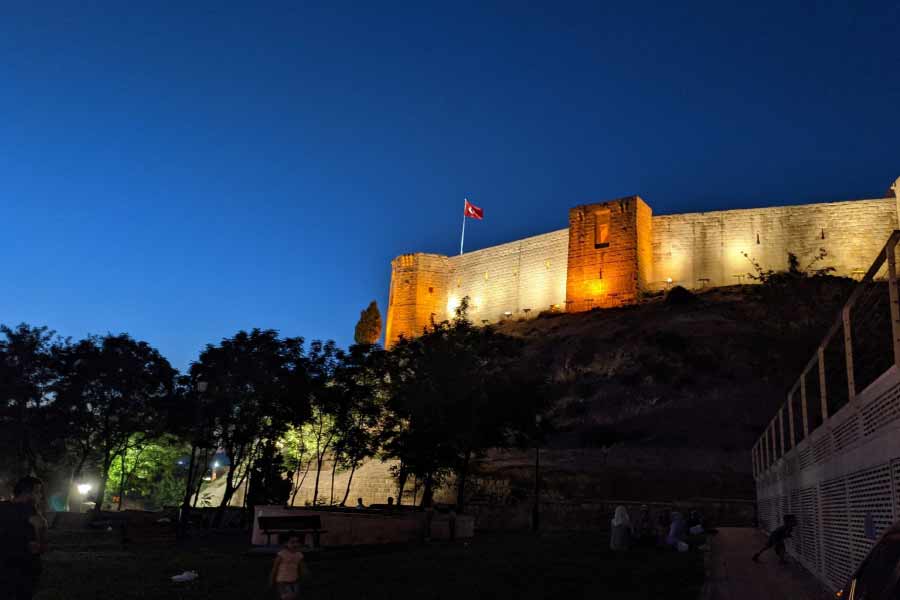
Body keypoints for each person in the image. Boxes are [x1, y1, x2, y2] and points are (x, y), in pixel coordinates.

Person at [0, 476, 46, 600]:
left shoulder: (2, 506)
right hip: (23, 566)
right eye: (38, 492)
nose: (40, 496)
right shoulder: (28, 508)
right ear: (27, 493)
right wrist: (40, 545)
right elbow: (40, 525)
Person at [269, 532, 305, 600]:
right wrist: (271, 579)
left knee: (295, 596)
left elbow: (302, 566)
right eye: (292, 542)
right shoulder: (282, 554)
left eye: (297, 542)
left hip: (294, 580)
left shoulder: (299, 554)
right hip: (282, 580)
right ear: (285, 543)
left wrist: (305, 574)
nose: (295, 544)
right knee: (287, 597)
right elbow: (274, 568)